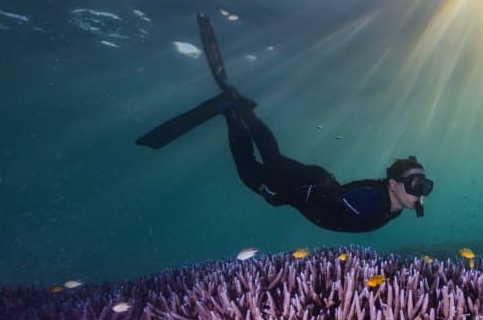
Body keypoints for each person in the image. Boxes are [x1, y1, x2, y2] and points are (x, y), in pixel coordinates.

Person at [136, 13, 433, 232]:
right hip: (303, 188)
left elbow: (352, 200)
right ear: (393, 184)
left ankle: (243, 111)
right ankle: (229, 111)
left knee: (273, 157)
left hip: (317, 178)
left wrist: (415, 199)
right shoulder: (374, 202)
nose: (420, 191)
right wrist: (282, 196)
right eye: (416, 184)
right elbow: (336, 204)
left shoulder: (395, 198)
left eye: (424, 185)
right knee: (249, 170)